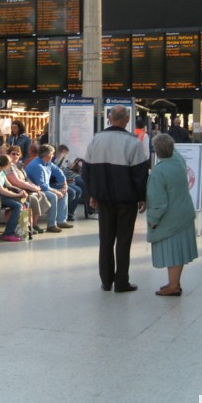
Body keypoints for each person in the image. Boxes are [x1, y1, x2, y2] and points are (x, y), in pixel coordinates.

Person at [82, 105, 149, 293]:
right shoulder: (133, 143)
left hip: (104, 199)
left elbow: (86, 171)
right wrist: (142, 197)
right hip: (126, 200)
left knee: (105, 239)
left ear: (110, 119)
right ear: (127, 119)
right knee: (124, 240)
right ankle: (121, 282)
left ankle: (105, 281)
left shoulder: (96, 140)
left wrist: (92, 194)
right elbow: (139, 174)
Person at [146, 133, 198, 297]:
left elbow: (158, 202)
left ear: (157, 152)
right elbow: (172, 151)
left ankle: (174, 286)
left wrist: (152, 221)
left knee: (172, 252)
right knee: (179, 250)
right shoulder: (178, 162)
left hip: (171, 218)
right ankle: (174, 282)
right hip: (185, 212)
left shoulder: (158, 172)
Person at [25, 144, 73, 233]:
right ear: (47, 155)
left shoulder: (48, 162)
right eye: (52, 154)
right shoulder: (37, 166)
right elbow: (42, 186)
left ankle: (61, 221)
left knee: (64, 193)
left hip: (44, 187)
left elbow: (59, 172)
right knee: (53, 196)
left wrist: (64, 185)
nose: (53, 156)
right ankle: (51, 225)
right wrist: (56, 191)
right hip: (35, 189)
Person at [5, 147, 50, 233]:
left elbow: (26, 179)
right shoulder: (8, 166)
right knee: (32, 198)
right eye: (13, 154)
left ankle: (34, 224)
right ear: (8, 154)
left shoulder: (19, 165)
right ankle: (30, 225)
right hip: (16, 190)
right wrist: (32, 188)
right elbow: (16, 182)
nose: (16, 156)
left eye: (18, 154)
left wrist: (34, 186)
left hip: (25, 189)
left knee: (40, 194)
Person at [0, 155, 28, 242]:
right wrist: (17, 195)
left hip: (1, 195)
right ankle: (8, 233)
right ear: (6, 165)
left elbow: (9, 185)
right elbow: (2, 191)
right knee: (18, 206)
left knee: (26, 203)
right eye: (10, 164)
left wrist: (20, 190)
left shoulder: (2, 172)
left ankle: (20, 229)